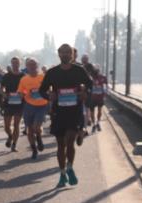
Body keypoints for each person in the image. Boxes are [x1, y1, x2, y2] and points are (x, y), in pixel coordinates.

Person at [41, 44, 93, 187]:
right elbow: (42, 90)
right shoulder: (52, 72)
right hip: (59, 112)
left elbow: (90, 84)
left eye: (68, 52)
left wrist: (85, 93)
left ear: (72, 55)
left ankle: (70, 167)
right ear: (59, 54)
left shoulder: (79, 70)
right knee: (60, 145)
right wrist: (49, 96)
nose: (65, 55)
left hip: (74, 111)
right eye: (62, 52)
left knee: (70, 141)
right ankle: (63, 173)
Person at [18, 58, 48, 160]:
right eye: (30, 65)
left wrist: (44, 92)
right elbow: (21, 92)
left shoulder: (43, 77)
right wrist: (24, 94)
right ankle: (34, 149)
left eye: (34, 64)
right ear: (27, 67)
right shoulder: (24, 79)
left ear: (37, 66)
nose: (32, 66)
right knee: (30, 130)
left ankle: (39, 138)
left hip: (41, 105)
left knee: (36, 127)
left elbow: (49, 89)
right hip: (29, 106)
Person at [89, 65, 108, 132]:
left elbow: (105, 87)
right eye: (95, 70)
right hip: (92, 97)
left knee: (100, 110)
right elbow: (88, 86)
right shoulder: (90, 77)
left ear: (99, 70)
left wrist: (104, 95)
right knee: (92, 112)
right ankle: (94, 124)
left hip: (100, 97)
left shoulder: (103, 77)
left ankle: (98, 122)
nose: (96, 71)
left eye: (97, 70)